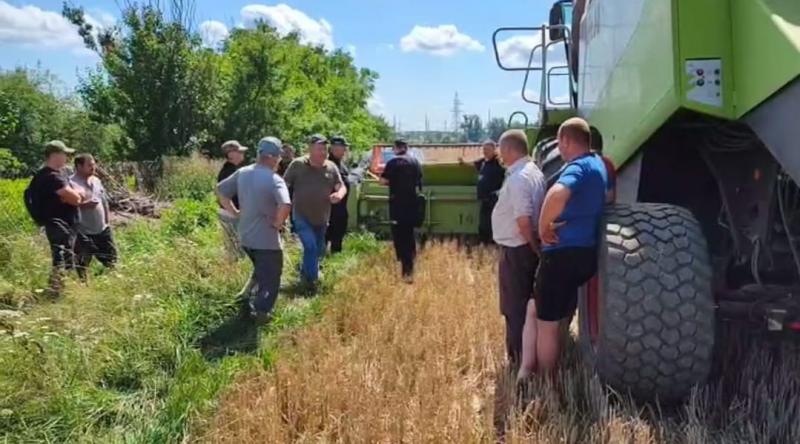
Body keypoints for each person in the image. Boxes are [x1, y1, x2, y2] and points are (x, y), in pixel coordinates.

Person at [524, 117, 607, 376]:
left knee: (546, 324)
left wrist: (543, 227)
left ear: (566, 141)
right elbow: (610, 197)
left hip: (560, 255)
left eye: (560, 143)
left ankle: (547, 380)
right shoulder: (599, 164)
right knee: (556, 315)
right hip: (585, 254)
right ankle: (554, 367)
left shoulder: (577, 166)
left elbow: (557, 193)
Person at [216, 137, 291, 322]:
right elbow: (285, 205)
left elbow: (220, 191)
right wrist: (278, 223)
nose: (279, 161)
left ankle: (246, 296)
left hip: (245, 237)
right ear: (273, 157)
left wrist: (235, 213)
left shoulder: (243, 172)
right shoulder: (275, 179)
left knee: (260, 268)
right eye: (279, 157)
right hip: (266, 240)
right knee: (271, 276)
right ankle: (261, 312)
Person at [491, 130, 546, 366]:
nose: (499, 155)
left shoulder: (518, 178)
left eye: (501, 150)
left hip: (517, 250)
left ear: (509, 149)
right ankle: (529, 355)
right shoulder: (534, 172)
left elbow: (523, 220)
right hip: (525, 248)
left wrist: (533, 248)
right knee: (527, 305)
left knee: (514, 308)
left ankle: (518, 359)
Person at [283, 134, 346, 288]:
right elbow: (284, 184)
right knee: (310, 246)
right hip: (301, 215)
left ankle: (304, 274)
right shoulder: (297, 165)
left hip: (322, 217)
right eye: (319, 149)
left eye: (325, 149)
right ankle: (312, 282)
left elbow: (341, 186)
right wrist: (281, 204)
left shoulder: (331, 167)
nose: (323, 152)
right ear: (310, 149)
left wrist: (339, 195)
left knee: (318, 250)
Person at [28, 141, 84, 295]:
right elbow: (76, 199)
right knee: (63, 257)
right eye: (65, 154)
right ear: (55, 155)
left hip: (56, 224)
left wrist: (73, 194)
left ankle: (58, 289)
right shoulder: (52, 177)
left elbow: (72, 195)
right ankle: (58, 291)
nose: (67, 157)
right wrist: (76, 194)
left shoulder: (43, 175)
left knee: (62, 256)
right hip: (60, 225)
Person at [380, 139, 423, 282]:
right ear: (407, 148)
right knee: (409, 235)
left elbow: (383, 181)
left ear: (396, 148)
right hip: (412, 205)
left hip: (397, 205)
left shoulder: (392, 163)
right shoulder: (415, 162)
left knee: (399, 237)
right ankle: (411, 263)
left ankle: (405, 268)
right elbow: (419, 181)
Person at [70, 154, 117, 280]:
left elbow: (104, 201)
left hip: (102, 229)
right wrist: (84, 205)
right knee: (82, 263)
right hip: (82, 231)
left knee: (111, 260)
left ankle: (110, 281)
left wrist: (107, 222)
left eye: (94, 164)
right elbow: (66, 207)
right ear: (79, 166)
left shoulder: (96, 181)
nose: (93, 167)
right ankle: (83, 285)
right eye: (89, 165)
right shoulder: (71, 183)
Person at [217, 140, 248, 261]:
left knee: (235, 249)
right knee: (236, 249)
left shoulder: (233, 169)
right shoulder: (228, 172)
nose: (242, 154)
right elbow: (222, 195)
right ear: (230, 154)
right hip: (231, 214)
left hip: (231, 213)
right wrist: (236, 213)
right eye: (239, 151)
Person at [474, 139, 505, 244]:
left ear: (494, 150)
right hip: (484, 199)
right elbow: (474, 164)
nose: (485, 151)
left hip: (493, 200)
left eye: (487, 149)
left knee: (492, 224)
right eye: (484, 149)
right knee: (483, 224)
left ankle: (493, 245)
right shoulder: (483, 162)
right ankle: (484, 244)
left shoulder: (499, 164)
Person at [326, 135, 351, 254]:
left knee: (338, 234)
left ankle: (335, 260)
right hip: (329, 208)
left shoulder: (341, 165)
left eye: (345, 148)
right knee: (326, 236)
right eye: (342, 147)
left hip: (341, 207)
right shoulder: (328, 164)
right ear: (333, 148)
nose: (345, 150)